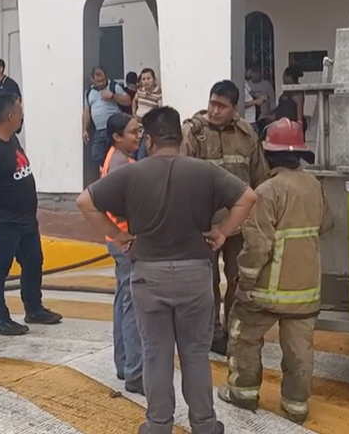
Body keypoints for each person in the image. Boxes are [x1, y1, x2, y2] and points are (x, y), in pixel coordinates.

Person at [76, 106, 258, 434]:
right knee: (195, 355)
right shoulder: (203, 172)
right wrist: (222, 232)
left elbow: (84, 202)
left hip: (148, 276)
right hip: (195, 275)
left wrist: (118, 236)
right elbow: (248, 197)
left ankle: (158, 425)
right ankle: (204, 423)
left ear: (150, 138)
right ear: (179, 135)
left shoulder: (132, 173)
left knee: (156, 355)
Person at [218, 118, 332, 425]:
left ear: (268, 154)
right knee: (300, 351)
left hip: (266, 291)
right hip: (306, 290)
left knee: (243, 335)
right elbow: (326, 225)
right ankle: (296, 405)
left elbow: (257, 245)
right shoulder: (314, 185)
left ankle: (243, 393)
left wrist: (245, 282)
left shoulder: (267, 191)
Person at [0, 94, 63, 335]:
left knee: (33, 262)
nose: (22, 115)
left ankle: (34, 307)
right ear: (10, 116)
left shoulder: (11, 139)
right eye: (19, 111)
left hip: (25, 220)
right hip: (0, 222)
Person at [181, 80, 269, 355]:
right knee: (205, 284)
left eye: (222, 106)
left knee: (239, 280)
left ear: (235, 108)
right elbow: (180, 176)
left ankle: (234, 330)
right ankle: (211, 334)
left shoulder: (246, 135)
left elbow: (259, 178)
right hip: (203, 225)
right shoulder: (192, 133)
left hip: (239, 225)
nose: (215, 110)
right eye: (212, 103)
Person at [101, 112, 144, 395]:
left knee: (123, 300)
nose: (138, 136)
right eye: (133, 132)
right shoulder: (121, 165)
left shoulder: (118, 159)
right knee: (132, 306)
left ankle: (124, 363)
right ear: (117, 137)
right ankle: (135, 372)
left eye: (139, 131)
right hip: (125, 241)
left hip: (117, 239)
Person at [82, 66, 132, 171]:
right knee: (96, 154)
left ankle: (113, 172)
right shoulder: (89, 92)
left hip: (113, 129)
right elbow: (87, 112)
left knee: (114, 153)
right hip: (98, 130)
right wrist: (84, 129)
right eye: (98, 81)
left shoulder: (114, 86)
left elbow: (128, 100)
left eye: (103, 80)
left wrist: (112, 96)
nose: (101, 83)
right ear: (93, 80)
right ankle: (110, 170)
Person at [133, 68, 163, 160]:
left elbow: (160, 110)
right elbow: (134, 101)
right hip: (137, 128)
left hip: (147, 130)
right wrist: (134, 113)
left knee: (142, 155)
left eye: (148, 78)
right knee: (133, 152)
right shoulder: (140, 91)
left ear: (154, 79)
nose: (146, 81)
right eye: (143, 79)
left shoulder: (158, 94)